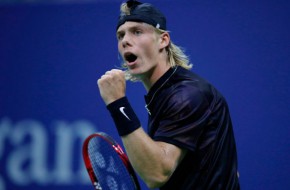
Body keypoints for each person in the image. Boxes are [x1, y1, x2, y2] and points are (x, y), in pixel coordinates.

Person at [97, 0, 240, 189]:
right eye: (120, 35)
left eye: (137, 32)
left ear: (163, 40)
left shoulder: (187, 95)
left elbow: (157, 173)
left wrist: (118, 104)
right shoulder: (165, 93)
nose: (125, 40)